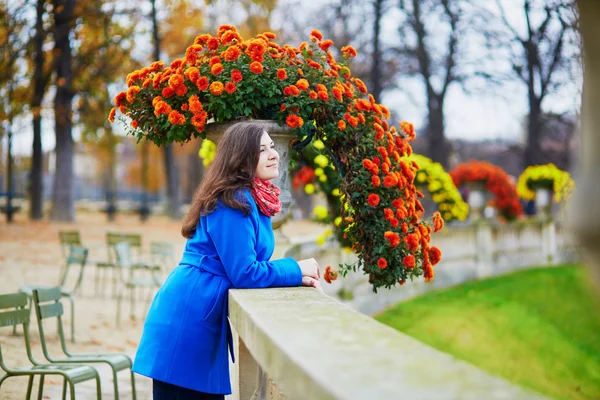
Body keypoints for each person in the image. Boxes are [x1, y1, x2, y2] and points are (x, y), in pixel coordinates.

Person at [132, 122, 322, 399]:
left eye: (272, 147)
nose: (273, 154)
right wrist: (296, 268)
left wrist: (296, 276)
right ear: (241, 159)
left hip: (200, 313)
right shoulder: (233, 200)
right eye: (262, 150)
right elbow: (245, 273)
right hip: (188, 318)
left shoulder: (253, 198)